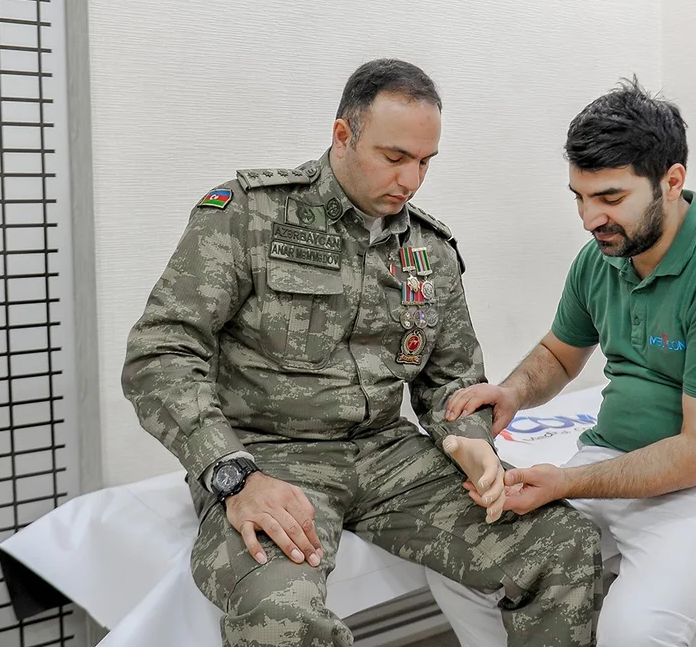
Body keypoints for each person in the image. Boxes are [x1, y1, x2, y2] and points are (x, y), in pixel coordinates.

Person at [121, 58, 603, 647]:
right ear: (343, 135)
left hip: (388, 454)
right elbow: (161, 352)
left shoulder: (429, 248)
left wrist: (469, 439)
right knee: (279, 614)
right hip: (268, 457)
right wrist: (232, 474)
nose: (410, 180)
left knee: (563, 545)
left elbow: (451, 378)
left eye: (425, 162)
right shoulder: (250, 215)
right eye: (394, 157)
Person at [432, 78, 696, 647]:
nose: (589, 218)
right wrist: (511, 393)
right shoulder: (602, 258)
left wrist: (566, 481)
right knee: (461, 565)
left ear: (672, 182)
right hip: (612, 462)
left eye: (610, 198)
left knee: (635, 630)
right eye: (579, 197)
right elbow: (558, 354)